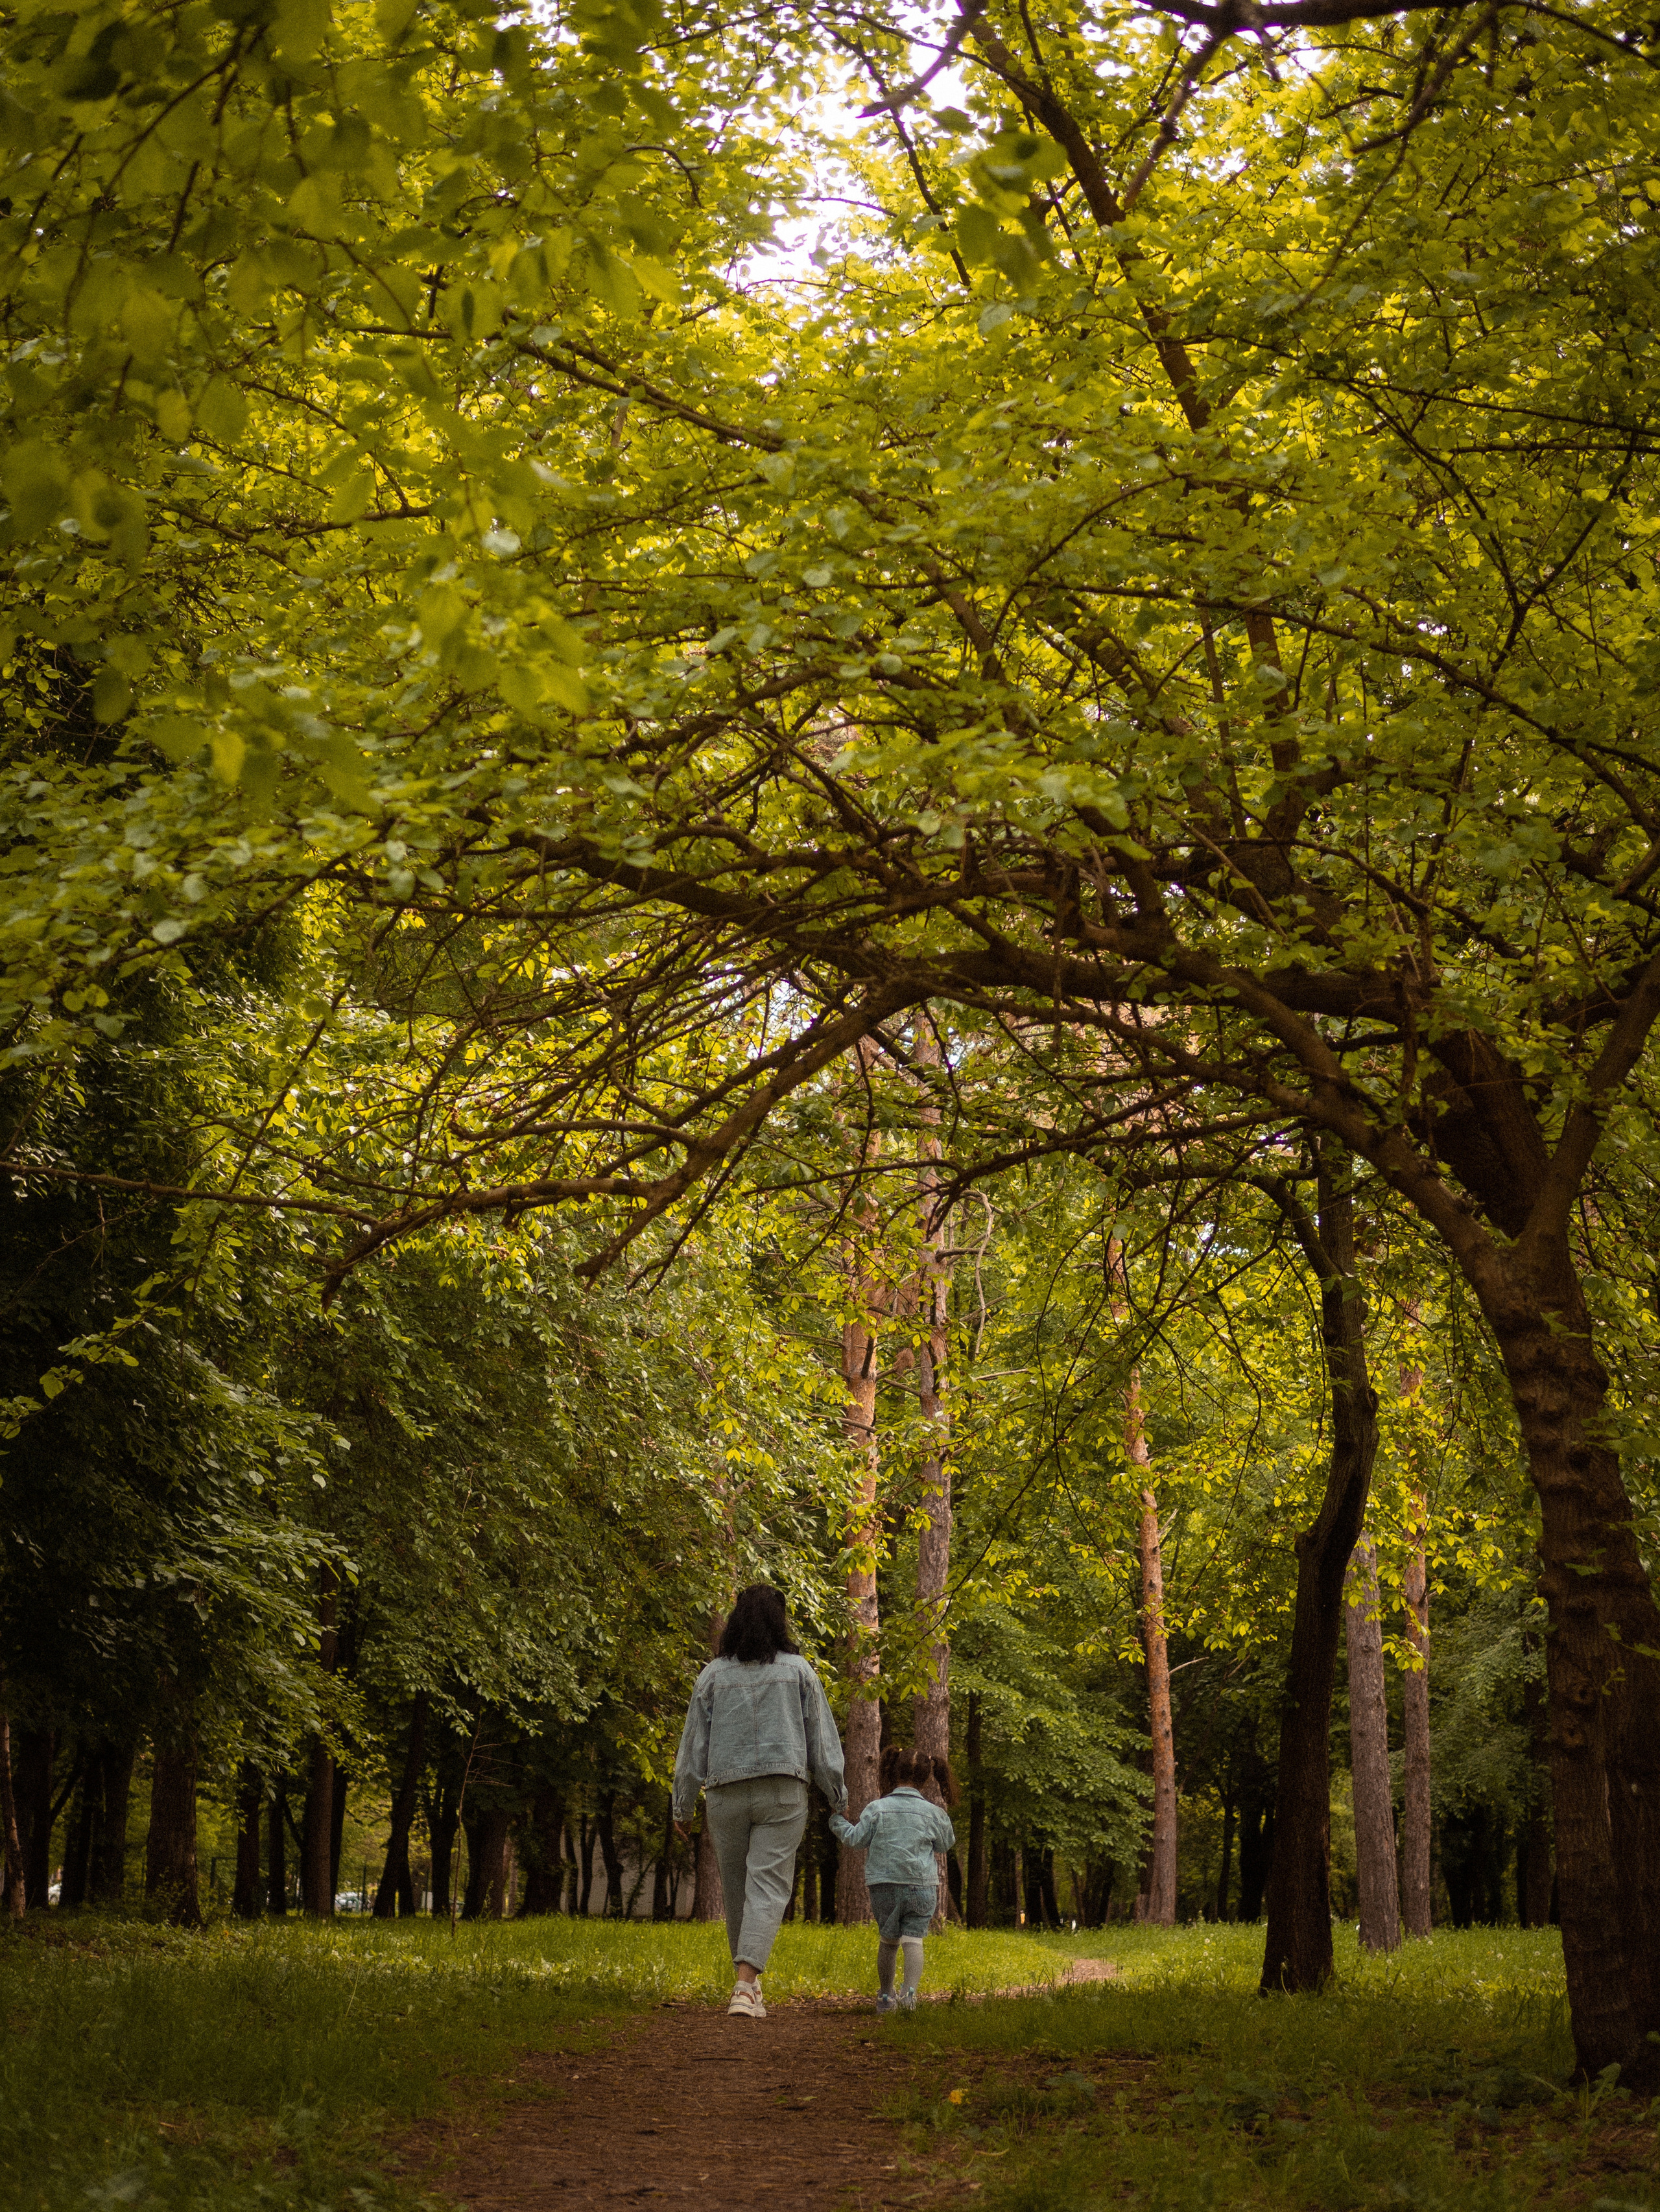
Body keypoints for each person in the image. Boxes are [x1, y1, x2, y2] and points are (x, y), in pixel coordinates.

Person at [672, 1584, 846, 2021]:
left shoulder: (713, 1675)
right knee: (767, 1887)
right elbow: (821, 1743)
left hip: (726, 1794)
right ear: (779, 1621)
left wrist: (683, 1805)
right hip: (782, 1793)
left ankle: (746, 1986)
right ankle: (746, 1988)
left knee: (736, 1892)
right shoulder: (800, 1671)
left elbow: (693, 1747)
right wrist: (837, 1796)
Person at [830, 1745, 958, 2012]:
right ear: (927, 1778)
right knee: (914, 1940)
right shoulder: (935, 1813)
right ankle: (909, 1997)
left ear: (893, 1770)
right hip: (922, 1887)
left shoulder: (877, 1808)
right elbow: (945, 1845)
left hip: (884, 1887)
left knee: (888, 1941)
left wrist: (837, 1821)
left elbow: (856, 1839)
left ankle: (886, 1998)